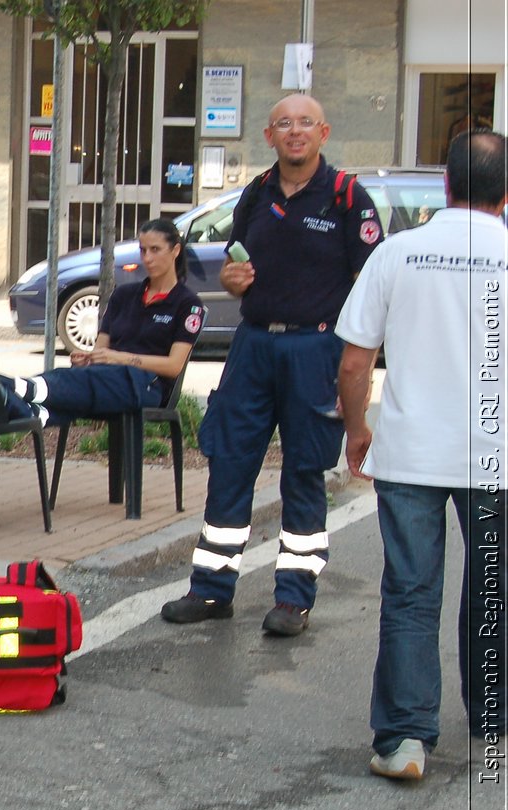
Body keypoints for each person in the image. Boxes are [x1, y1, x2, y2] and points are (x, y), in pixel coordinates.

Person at [162, 93, 383, 636]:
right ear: (270, 136)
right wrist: (233, 281)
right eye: (284, 123)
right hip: (253, 346)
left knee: (305, 472)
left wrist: (355, 359)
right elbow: (237, 261)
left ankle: (293, 598)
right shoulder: (256, 194)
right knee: (229, 464)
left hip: (315, 350)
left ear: (323, 133)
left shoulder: (347, 197)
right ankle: (212, 589)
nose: (295, 131)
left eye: (305, 122)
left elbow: (373, 285)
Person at [334, 130, 507, 781]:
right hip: (498, 455)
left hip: (410, 453)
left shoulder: (400, 254)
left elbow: (355, 361)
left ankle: (405, 739)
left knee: (410, 591)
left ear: (446, 185)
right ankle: (494, 717)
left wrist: (357, 430)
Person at [2, 218, 203, 424]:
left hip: (149, 385)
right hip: (107, 378)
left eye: (155, 249)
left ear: (175, 250)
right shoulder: (123, 295)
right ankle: (25, 409)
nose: (147, 258)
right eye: (143, 250)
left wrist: (119, 358)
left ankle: (14, 387)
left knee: (98, 380)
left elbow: (174, 366)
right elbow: (101, 351)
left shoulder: (186, 304)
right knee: (87, 376)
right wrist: (88, 358)